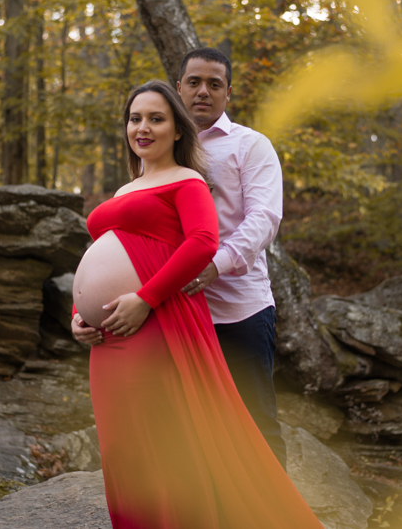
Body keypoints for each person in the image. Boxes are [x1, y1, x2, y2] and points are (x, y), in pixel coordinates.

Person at [70, 80, 322, 528]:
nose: (142, 127)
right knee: (120, 445)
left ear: (178, 130)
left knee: (157, 442)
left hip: (150, 326)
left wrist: (146, 300)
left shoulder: (188, 182)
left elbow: (203, 243)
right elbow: (107, 250)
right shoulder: (127, 188)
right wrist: (79, 316)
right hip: (106, 339)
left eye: (156, 118)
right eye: (135, 118)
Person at [76, 48, 287, 467]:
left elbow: (264, 218)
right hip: (170, 315)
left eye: (214, 84)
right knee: (188, 431)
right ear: (178, 89)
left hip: (236, 309)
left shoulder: (250, 145)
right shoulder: (154, 158)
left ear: (229, 92)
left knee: (254, 422)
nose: (203, 92)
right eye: (193, 82)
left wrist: (215, 264)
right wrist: (84, 310)